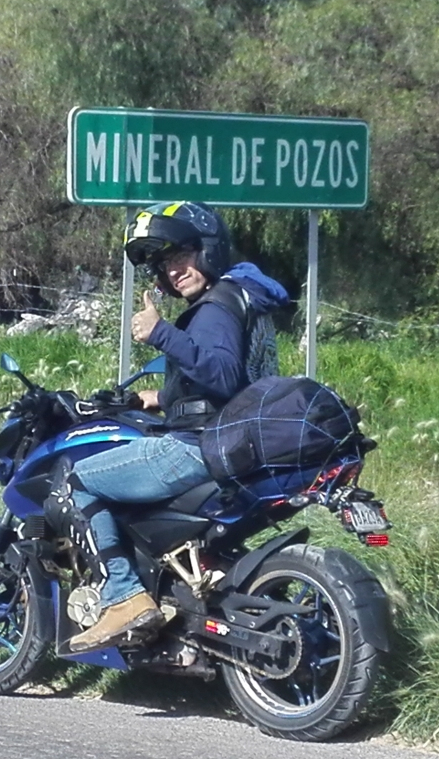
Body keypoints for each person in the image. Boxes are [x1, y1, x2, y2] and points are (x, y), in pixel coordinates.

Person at [44, 201, 290, 653]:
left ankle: (124, 597)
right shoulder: (242, 297)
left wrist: (160, 332)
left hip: (198, 447)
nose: (175, 270)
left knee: (74, 480)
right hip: (236, 440)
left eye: (183, 255)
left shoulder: (215, 305)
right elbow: (223, 388)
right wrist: (152, 398)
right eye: (165, 263)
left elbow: (222, 374)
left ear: (209, 250)